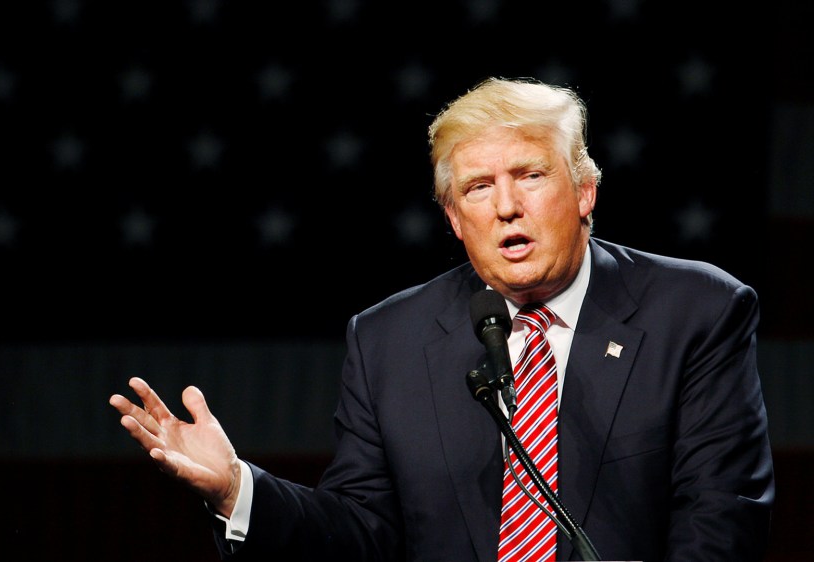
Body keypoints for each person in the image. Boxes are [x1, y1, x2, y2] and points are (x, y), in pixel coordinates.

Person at [109, 77, 775, 561]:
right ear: (455, 219)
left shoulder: (696, 312)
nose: (506, 206)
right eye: (478, 188)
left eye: (530, 174)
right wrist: (237, 491)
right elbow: (363, 534)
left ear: (584, 191)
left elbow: (721, 523)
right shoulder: (388, 340)